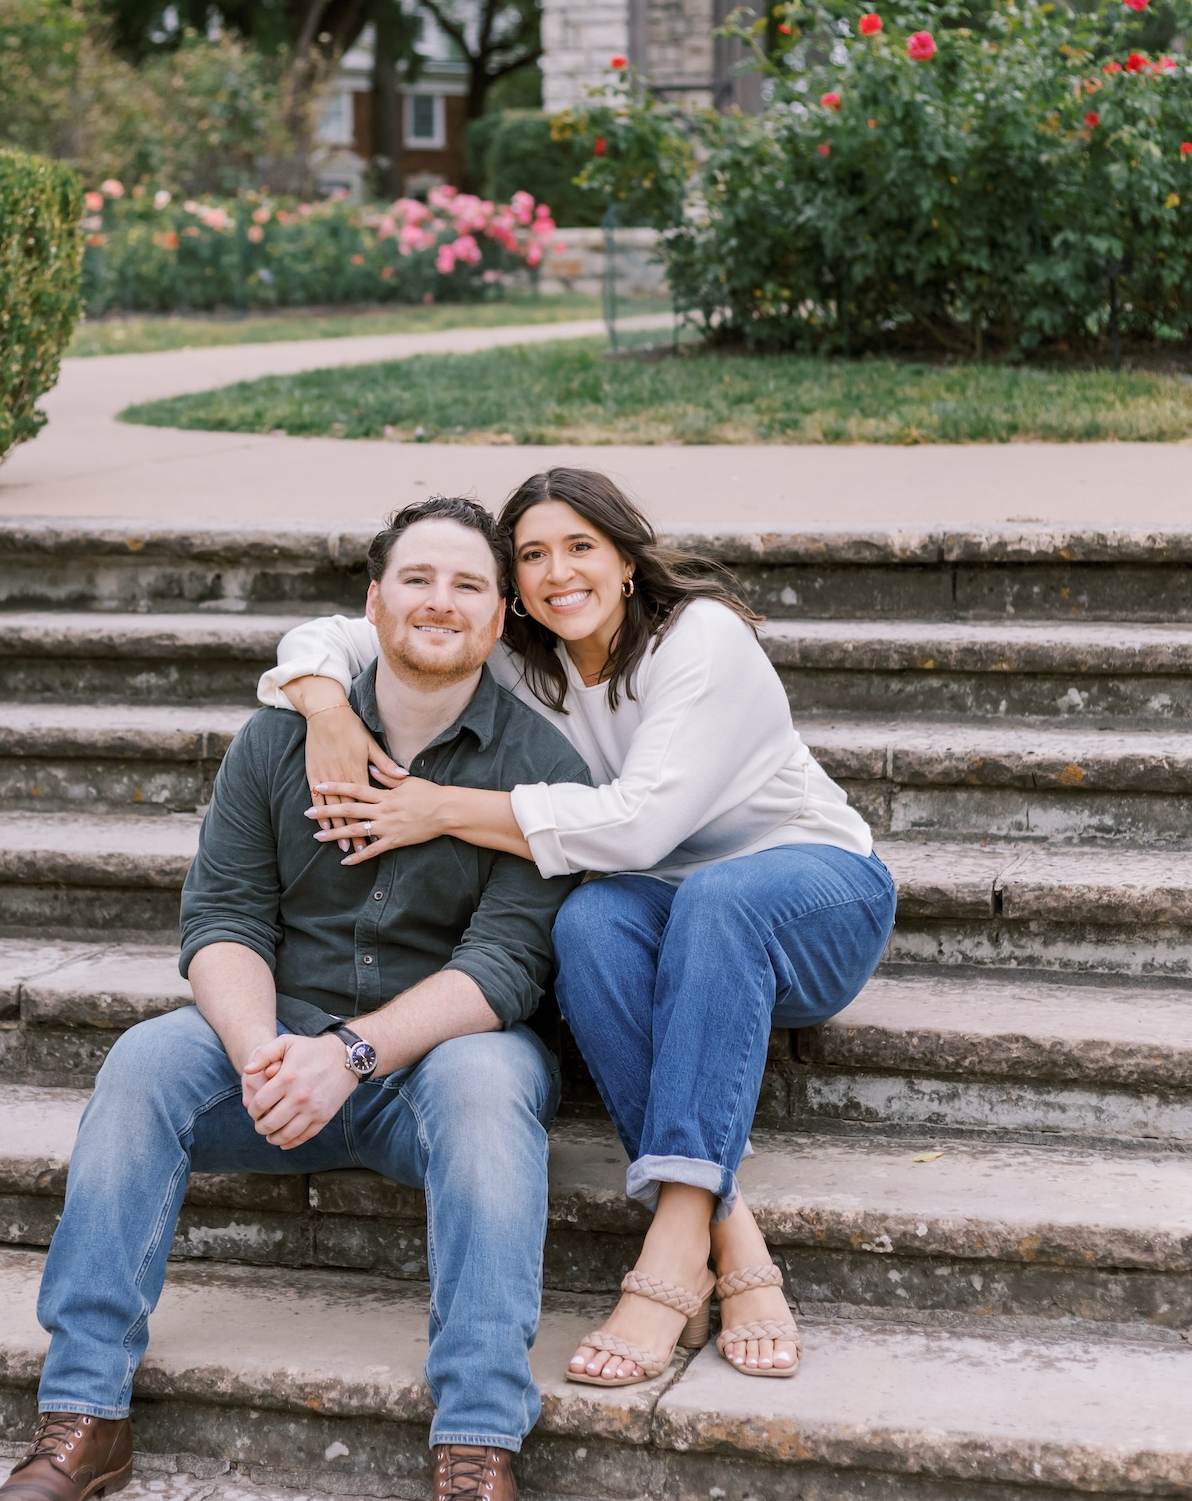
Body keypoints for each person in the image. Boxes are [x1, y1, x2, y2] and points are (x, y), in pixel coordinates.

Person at [0, 496, 590, 1501]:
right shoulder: (274, 740)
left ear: (500, 620)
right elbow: (220, 920)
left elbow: (505, 967)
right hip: (277, 1054)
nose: (438, 602)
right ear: (372, 601)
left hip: (428, 1074)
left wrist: (347, 1056)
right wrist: (266, 1052)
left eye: (466, 586)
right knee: (145, 1059)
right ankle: (82, 1414)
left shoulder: (541, 770)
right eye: (416, 578)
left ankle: (478, 1447)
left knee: (496, 1080)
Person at [260, 466, 897, 1388]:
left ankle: (674, 1249)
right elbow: (337, 635)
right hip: (666, 916)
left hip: (814, 898)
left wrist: (439, 809)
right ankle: (730, 1226)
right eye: (531, 556)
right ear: (514, 582)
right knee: (592, 919)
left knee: (715, 899)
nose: (559, 573)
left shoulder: (700, 639)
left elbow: (640, 825)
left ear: (627, 560)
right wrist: (322, 705)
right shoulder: (530, 653)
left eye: (580, 548)